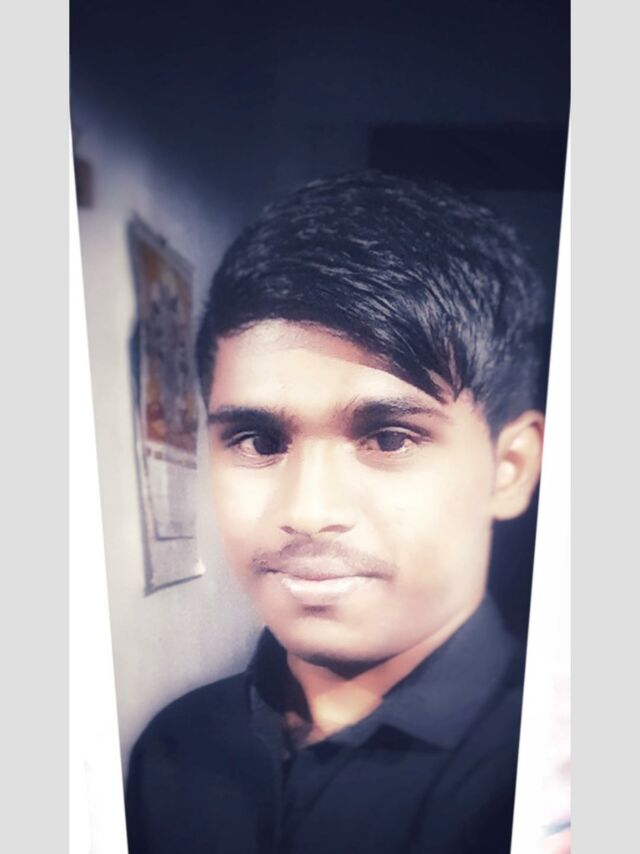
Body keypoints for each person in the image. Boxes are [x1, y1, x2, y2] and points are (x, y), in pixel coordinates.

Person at [125, 172, 550, 854]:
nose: (308, 510)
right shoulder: (174, 749)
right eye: (258, 440)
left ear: (512, 467)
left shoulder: (552, 775)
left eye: (389, 439)